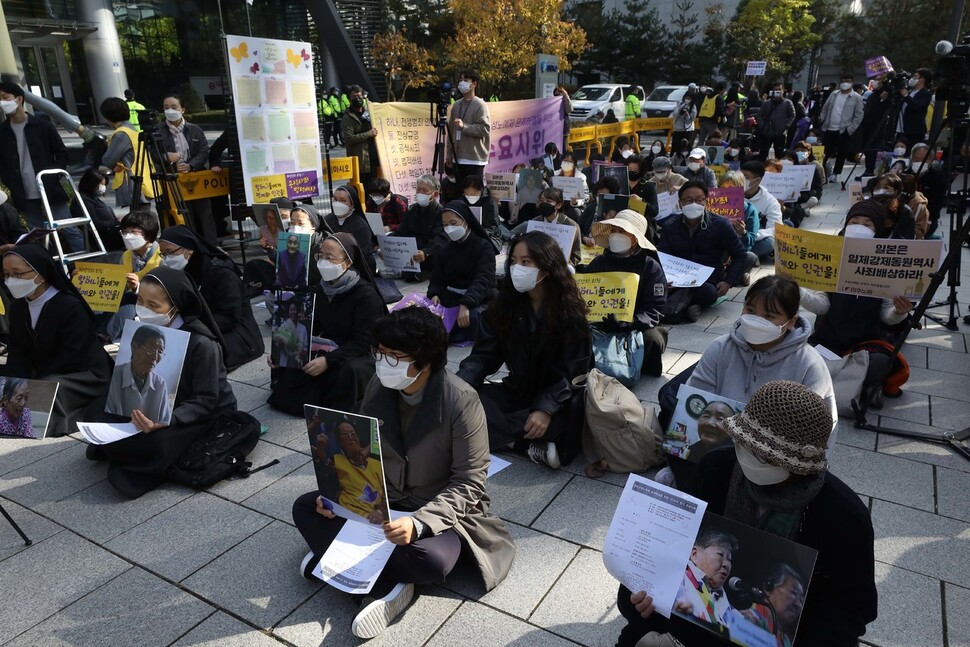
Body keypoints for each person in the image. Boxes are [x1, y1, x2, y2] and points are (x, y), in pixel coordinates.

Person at [293, 307, 515, 639]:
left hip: (434, 509)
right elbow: (361, 449)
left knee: (433, 561)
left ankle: (344, 563)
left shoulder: (461, 401)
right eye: (380, 353)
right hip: (383, 499)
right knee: (306, 507)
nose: (383, 363)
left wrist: (418, 523)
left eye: (395, 356)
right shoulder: (378, 387)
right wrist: (334, 495)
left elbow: (470, 481)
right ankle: (389, 585)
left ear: (426, 360)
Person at [617, 381, 878, 647]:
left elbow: (852, 609)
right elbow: (677, 542)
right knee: (632, 609)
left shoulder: (844, 516)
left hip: (781, 633)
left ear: (800, 465)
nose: (749, 456)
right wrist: (651, 589)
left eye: (765, 456)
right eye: (743, 443)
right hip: (701, 611)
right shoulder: (718, 467)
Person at [91, 267, 238, 498]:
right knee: (96, 409)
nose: (143, 309)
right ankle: (122, 446)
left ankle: (127, 454)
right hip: (157, 402)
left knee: (157, 442)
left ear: (175, 306)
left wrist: (167, 419)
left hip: (200, 413)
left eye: (153, 305)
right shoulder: (144, 330)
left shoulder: (202, 343)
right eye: (140, 301)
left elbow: (206, 399)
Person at [457, 231, 591, 469]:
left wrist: (545, 408)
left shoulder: (570, 313)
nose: (517, 268)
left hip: (558, 396)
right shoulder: (504, 306)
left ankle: (509, 437)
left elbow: (571, 373)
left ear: (547, 266)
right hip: (517, 390)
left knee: (566, 421)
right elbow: (483, 356)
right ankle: (520, 445)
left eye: (526, 262)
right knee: (467, 404)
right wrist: (459, 386)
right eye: (513, 261)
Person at [800, 200, 913, 407]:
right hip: (829, 340)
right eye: (855, 221)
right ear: (846, 224)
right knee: (799, 354)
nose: (860, 226)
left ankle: (840, 382)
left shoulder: (886, 264)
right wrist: (797, 292)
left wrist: (899, 311)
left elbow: (887, 316)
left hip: (865, 346)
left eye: (867, 224)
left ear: (877, 229)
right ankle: (855, 386)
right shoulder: (832, 257)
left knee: (882, 362)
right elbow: (822, 305)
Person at [267, 233, 385, 415]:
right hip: (328, 346)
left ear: (347, 263)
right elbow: (310, 326)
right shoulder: (321, 290)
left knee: (350, 371)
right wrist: (280, 352)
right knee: (294, 358)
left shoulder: (366, 297)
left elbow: (364, 342)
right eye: (320, 256)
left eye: (329, 257)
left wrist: (329, 360)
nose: (323, 261)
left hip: (357, 352)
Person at [1, 244, 112, 436]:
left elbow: (73, 355)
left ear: (41, 275)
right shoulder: (18, 307)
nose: (11, 280)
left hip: (81, 373)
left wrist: (35, 381)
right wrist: (14, 382)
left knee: (50, 388)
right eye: (7, 274)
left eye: (18, 274)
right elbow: (18, 351)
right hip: (41, 370)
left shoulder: (69, 306)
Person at [157, 226, 264, 371]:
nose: (167, 258)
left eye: (170, 252)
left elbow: (229, 317)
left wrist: (191, 330)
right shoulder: (183, 272)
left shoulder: (221, 273)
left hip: (237, 336)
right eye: (163, 254)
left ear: (189, 249)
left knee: (189, 356)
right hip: (203, 328)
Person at [0, 82, 84, 252]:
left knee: (68, 228)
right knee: (36, 234)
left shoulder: (43, 126)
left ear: (19, 99)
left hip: (50, 187)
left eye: (5, 97)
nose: (2, 102)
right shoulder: (2, 131)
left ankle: (88, 264)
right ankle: (48, 266)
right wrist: (7, 179)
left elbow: (62, 153)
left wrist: (52, 176)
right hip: (22, 191)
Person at [585, 209, 668, 376]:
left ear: (635, 238)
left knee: (653, 339)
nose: (616, 235)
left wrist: (629, 322)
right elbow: (586, 294)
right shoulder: (598, 263)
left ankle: (635, 365)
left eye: (622, 231)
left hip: (635, 325)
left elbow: (655, 308)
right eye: (613, 230)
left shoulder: (650, 267)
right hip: (600, 323)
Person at [658, 181, 746, 323]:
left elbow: (740, 255)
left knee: (708, 292)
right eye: (688, 200)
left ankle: (680, 304)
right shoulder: (670, 225)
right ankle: (689, 307)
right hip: (676, 276)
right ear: (680, 203)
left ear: (706, 201)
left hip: (707, 279)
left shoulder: (721, 225)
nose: (693, 204)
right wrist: (665, 278)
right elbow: (663, 255)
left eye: (699, 199)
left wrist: (728, 282)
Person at [427, 201, 497, 343]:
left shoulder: (483, 247)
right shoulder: (444, 249)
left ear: (466, 222)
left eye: (453, 222)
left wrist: (466, 304)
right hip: (451, 296)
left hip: (478, 298)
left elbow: (483, 280)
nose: (449, 228)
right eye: (445, 225)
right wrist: (435, 293)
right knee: (426, 318)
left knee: (473, 318)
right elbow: (436, 278)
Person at [158, 95, 215, 242]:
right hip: (174, 180)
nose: (170, 111)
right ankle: (189, 246)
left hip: (196, 177)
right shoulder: (158, 132)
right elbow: (153, 154)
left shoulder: (195, 130)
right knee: (184, 215)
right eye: (166, 107)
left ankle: (211, 246)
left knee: (205, 215)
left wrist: (190, 165)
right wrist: (167, 158)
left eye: (174, 107)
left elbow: (203, 152)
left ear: (182, 109)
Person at [672, 528, 739, 626]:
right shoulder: (677, 579)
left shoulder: (729, 607)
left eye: (729, 559)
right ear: (694, 554)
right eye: (720, 554)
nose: (726, 564)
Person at [105, 324, 171, 423]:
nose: (155, 357)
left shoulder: (160, 383)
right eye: (151, 350)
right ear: (134, 347)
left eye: (160, 352)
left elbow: (164, 421)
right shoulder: (115, 376)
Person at [98, 96, 150, 210]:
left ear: (109, 117)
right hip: (143, 182)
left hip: (133, 186)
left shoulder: (121, 134)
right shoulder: (132, 129)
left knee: (138, 223)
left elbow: (108, 159)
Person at [393, 174, 447, 282]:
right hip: (412, 253)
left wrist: (425, 252)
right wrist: (387, 245)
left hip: (429, 253)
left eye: (425, 190)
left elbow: (441, 238)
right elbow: (401, 231)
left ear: (435, 194)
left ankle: (429, 273)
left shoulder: (441, 213)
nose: (420, 193)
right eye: (418, 189)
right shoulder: (412, 210)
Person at [511, 187, 582, 266]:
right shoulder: (535, 222)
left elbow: (576, 256)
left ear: (558, 205)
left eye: (548, 201)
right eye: (541, 201)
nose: (544, 204)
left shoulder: (571, 226)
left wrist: (564, 265)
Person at [740, 563, 806, 647]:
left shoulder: (787, 641)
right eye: (794, 592)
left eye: (801, 600)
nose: (798, 604)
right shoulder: (743, 619)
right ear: (768, 587)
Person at [447, 70, 491, 184]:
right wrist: (449, 155)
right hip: (457, 158)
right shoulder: (456, 105)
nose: (462, 83)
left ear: (474, 84)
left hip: (475, 160)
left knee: (473, 194)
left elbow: (485, 129)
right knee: (459, 195)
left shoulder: (480, 105)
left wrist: (464, 127)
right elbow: (450, 132)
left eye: (466, 80)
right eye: (460, 80)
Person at [819, 74, 864, 183]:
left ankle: (835, 173)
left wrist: (850, 129)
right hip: (829, 128)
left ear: (852, 82)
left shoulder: (857, 97)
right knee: (824, 152)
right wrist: (821, 119)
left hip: (844, 130)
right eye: (843, 81)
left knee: (841, 153)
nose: (845, 83)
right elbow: (825, 108)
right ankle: (820, 172)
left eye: (848, 81)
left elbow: (859, 115)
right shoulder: (834, 94)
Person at [717, 170, 759, 285]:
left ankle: (730, 275)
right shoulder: (712, 207)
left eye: (730, 188)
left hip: (735, 252)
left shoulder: (750, 210)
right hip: (714, 250)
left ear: (741, 190)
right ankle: (735, 276)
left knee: (750, 257)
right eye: (722, 187)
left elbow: (750, 242)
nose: (725, 191)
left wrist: (743, 233)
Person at [324, 185, 377, 274]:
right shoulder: (327, 220)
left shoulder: (360, 225)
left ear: (352, 203)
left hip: (358, 267)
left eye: (343, 200)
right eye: (335, 199)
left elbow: (361, 254)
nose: (338, 203)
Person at [741, 160, 785, 262]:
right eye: (740, 176)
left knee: (769, 242)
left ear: (757, 180)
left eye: (746, 177)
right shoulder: (729, 194)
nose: (741, 180)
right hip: (729, 238)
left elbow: (775, 229)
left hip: (752, 238)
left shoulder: (770, 201)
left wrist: (749, 235)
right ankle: (747, 257)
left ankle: (744, 256)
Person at [72, 169, 123, 251]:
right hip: (102, 238)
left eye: (104, 184)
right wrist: (116, 222)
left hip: (109, 232)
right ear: (91, 184)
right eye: (101, 184)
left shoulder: (93, 198)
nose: (103, 187)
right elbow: (94, 224)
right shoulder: (84, 200)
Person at [341, 85, 378, 185]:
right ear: (349, 100)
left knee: (376, 188)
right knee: (364, 188)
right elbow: (349, 139)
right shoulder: (347, 118)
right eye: (354, 97)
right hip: (361, 162)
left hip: (375, 158)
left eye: (359, 96)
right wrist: (368, 134)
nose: (357, 99)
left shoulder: (370, 113)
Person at [756, 82, 795, 160]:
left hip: (780, 133)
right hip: (767, 133)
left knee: (780, 155)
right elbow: (759, 115)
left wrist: (787, 125)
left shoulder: (787, 103)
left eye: (779, 90)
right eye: (775, 90)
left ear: (783, 91)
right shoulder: (767, 103)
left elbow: (792, 115)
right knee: (763, 154)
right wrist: (762, 126)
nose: (777, 92)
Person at [871, 172, 915, 239]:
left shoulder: (904, 210)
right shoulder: (868, 206)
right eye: (878, 187)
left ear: (896, 191)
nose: (881, 190)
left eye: (886, 187)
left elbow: (907, 237)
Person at [896, 68, 933, 145]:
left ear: (922, 79)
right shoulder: (910, 92)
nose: (912, 79)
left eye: (915, 76)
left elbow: (917, 106)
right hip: (901, 130)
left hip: (914, 131)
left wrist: (906, 96)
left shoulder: (926, 93)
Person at [272, 300, 309, 368]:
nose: (292, 312)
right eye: (291, 310)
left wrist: (303, 351)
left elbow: (306, 346)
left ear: (297, 312)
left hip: (298, 363)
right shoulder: (283, 326)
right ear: (288, 312)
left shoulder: (303, 328)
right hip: (285, 362)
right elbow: (276, 345)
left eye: (294, 310)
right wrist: (280, 344)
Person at [696, 82, 726, 149]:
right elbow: (720, 109)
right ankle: (713, 154)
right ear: (722, 89)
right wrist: (724, 116)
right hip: (711, 120)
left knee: (701, 139)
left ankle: (698, 153)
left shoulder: (707, 96)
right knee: (715, 138)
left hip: (702, 119)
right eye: (724, 90)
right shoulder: (718, 97)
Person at [672, 89, 698, 159]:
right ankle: (674, 158)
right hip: (678, 128)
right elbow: (674, 114)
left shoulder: (693, 107)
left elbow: (691, 119)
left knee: (686, 146)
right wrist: (680, 112)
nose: (687, 100)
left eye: (689, 98)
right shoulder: (680, 104)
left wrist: (687, 114)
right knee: (675, 145)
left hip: (688, 129)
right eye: (686, 98)